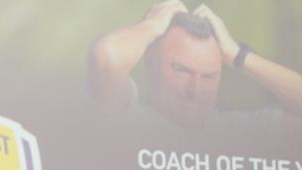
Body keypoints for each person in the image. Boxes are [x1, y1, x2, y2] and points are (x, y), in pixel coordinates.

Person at [87, 1, 302, 129]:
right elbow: (107, 57)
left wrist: (237, 55)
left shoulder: (237, 130)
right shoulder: (127, 118)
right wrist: (153, 26)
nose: (195, 91)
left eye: (209, 76)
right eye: (181, 70)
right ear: (150, 60)